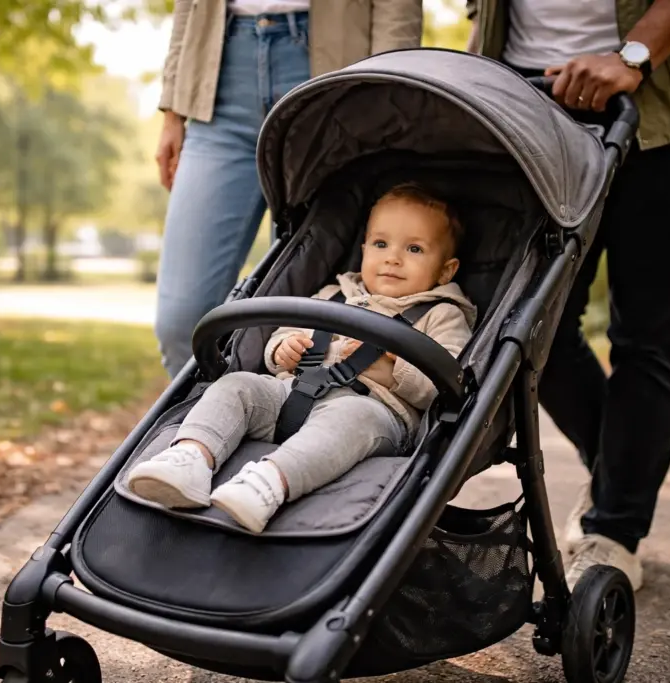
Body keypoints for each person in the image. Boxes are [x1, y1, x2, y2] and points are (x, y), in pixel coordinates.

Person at [465, 0, 670, 591]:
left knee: (650, 327)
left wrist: (635, 54)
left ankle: (616, 528)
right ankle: (618, 474)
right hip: (525, 96)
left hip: (665, 100)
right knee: (523, 322)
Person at [125, 183, 476, 533]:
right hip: (292, 392)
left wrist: (391, 367)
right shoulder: (332, 295)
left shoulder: (442, 314)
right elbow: (281, 336)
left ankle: (268, 483)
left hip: (374, 412)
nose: (393, 258)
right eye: (381, 244)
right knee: (236, 385)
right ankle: (192, 456)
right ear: (364, 248)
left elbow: (448, 382)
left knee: (351, 418)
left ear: (445, 270)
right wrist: (283, 349)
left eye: (414, 249)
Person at [153, 0, 424, 379]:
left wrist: (392, 82)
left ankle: (272, 421)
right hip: (219, 84)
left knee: (299, 315)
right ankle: (211, 425)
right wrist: (172, 109)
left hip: (333, 75)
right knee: (182, 320)